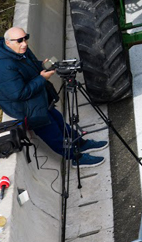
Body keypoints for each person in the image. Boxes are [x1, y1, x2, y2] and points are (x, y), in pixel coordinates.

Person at [0, 27, 106, 167]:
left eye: (26, 38)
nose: (24, 43)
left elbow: (30, 65)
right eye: (19, 41)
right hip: (27, 110)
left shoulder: (19, 50)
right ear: (8, 42)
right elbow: (18, 94)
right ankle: (75, 158)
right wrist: (42, 78)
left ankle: (81, 143)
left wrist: (44, 65)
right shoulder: (4, 66)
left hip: (38, 98)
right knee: (53, 135)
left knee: (60, 122)